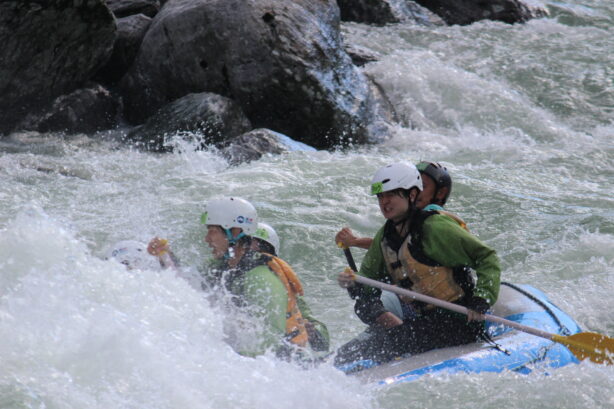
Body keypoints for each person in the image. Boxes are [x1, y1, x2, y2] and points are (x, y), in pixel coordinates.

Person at [334, 162, 501, 365]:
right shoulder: (384, 237)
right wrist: (354, 283)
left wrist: (482, 298)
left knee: (393, 340)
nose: (384, 202)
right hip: (422, 320)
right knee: (363, 307)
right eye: (380, 196)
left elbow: (487, 258)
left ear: (412, 195)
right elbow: (368, 287)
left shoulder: (435, 227)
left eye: (391, 195)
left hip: (460, 321)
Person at [197, 196, 313, 359]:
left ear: (235, 232)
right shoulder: (225, 267)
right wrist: (164, 256)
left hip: (279, 364)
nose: (207, 239)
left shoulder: (259, 278)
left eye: (212, 231)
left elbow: (269, 344)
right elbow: (188, 284)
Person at [335, 161, 458, 250]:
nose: (416, 190)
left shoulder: (433, 215)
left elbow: (396, 246)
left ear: (441, 193)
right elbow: (390, 245)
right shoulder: (406, 219)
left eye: (423, 186)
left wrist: (355, 241)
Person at [252, 222, 330, 352]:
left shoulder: (285, 289)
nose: (258, 258)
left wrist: (313, 332)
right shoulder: (224, 275)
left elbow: (323, 342)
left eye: (262, 253)